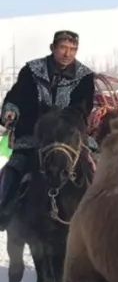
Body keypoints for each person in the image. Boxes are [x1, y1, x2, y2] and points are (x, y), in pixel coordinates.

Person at [0, 30, 95, 227]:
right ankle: (4, 209)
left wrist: (59, 120)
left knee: (95, 166)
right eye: (63, 48)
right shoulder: (32, 71)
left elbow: (82, 108)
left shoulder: (84, 76)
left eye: (72, 49)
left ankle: (99, 215)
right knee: (14, 167)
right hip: (32, 135)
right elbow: (17, 97)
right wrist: (11, 111)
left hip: (68, 138)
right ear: (53, 48)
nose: (67, 54)